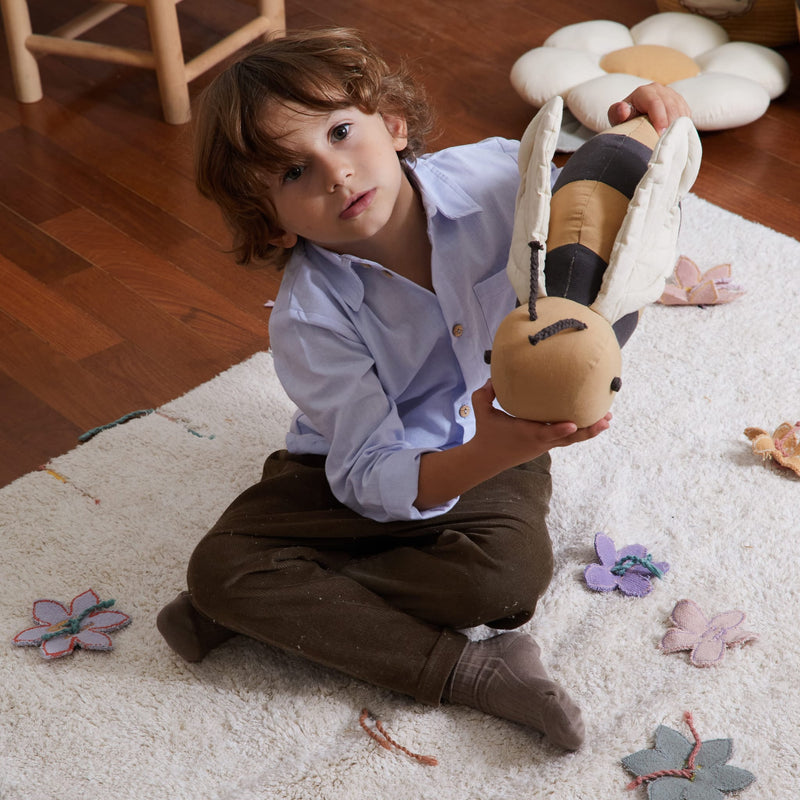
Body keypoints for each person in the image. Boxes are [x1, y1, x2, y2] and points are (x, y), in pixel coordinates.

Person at [157, 28, 692, 751]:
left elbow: (600, 207)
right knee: (220, 568)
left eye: (342, 133)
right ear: (272, 226)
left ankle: (279, 607)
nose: (336, 174)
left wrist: (641, 128)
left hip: (500, 435)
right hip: (349, 467)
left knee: (505, 582)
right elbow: (366, 475)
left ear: (394, 122)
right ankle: (470, 672)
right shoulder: (309, 319)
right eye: (291, 175)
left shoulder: (503, 179)